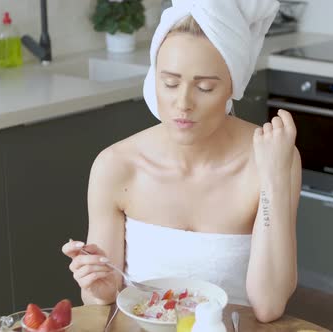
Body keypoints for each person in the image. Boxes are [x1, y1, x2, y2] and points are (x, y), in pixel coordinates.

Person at [62, 0, 301, 322]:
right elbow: (98, 297)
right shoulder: (116, 165)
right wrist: (99, 286)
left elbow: (269, 306)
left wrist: (273, 181)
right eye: (170, 83)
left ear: (233, 84)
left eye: (205, 87)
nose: (183, 103)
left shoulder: (269, 157)